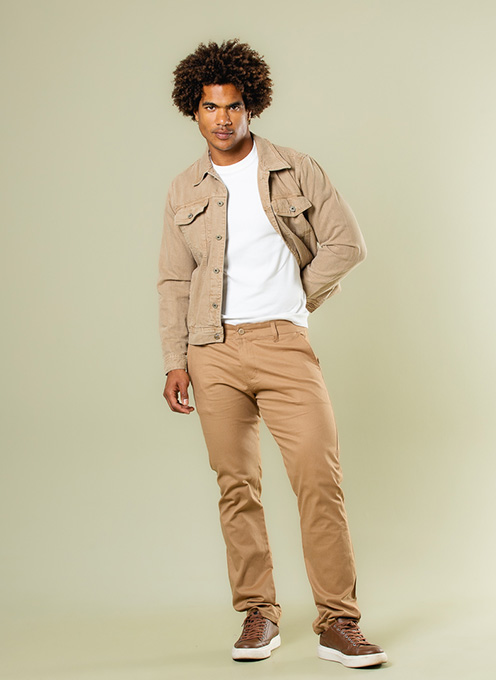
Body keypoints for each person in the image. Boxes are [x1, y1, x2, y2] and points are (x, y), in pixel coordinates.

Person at [157, 39, 387, 668]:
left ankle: (339, 622)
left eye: (233, 105)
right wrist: (175, 359)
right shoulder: (183, 189)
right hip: (211, 350)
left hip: (284, 345)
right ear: (194, 110)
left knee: (318, 479)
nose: (222, 118)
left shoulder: (296, 169)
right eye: (210, 106)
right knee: (236, 485)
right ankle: (258, 614)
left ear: (251, 106)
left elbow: (346, 243)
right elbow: (174, 280)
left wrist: (296, 296)